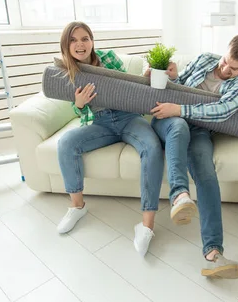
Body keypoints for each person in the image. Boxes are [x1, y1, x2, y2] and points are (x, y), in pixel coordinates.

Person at [148, 34, 238, 278]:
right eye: (225, 61)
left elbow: (220, 112)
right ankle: (179, 195)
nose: (225, 68)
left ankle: (213, 254)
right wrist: (175, 78)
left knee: (207, 174)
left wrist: (181, 109)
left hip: (199, 129)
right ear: (225, 51)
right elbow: (178, 88)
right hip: (169, 119)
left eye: (234, 68)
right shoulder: (204, 59)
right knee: (178, 126)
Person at [55, 21, 164, 257]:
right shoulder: (67, 71)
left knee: (152, 147)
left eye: (85, 38)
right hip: (100, 122)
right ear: (66, 45)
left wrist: (145, 78)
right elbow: (79, 113)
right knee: (66, 142)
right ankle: (77, 207)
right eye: (73, 40)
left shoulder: (108, 58)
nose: (80, 44)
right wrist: (79, 104)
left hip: (129, 118)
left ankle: (146, 225)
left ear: (92, 41)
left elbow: (128, 89)